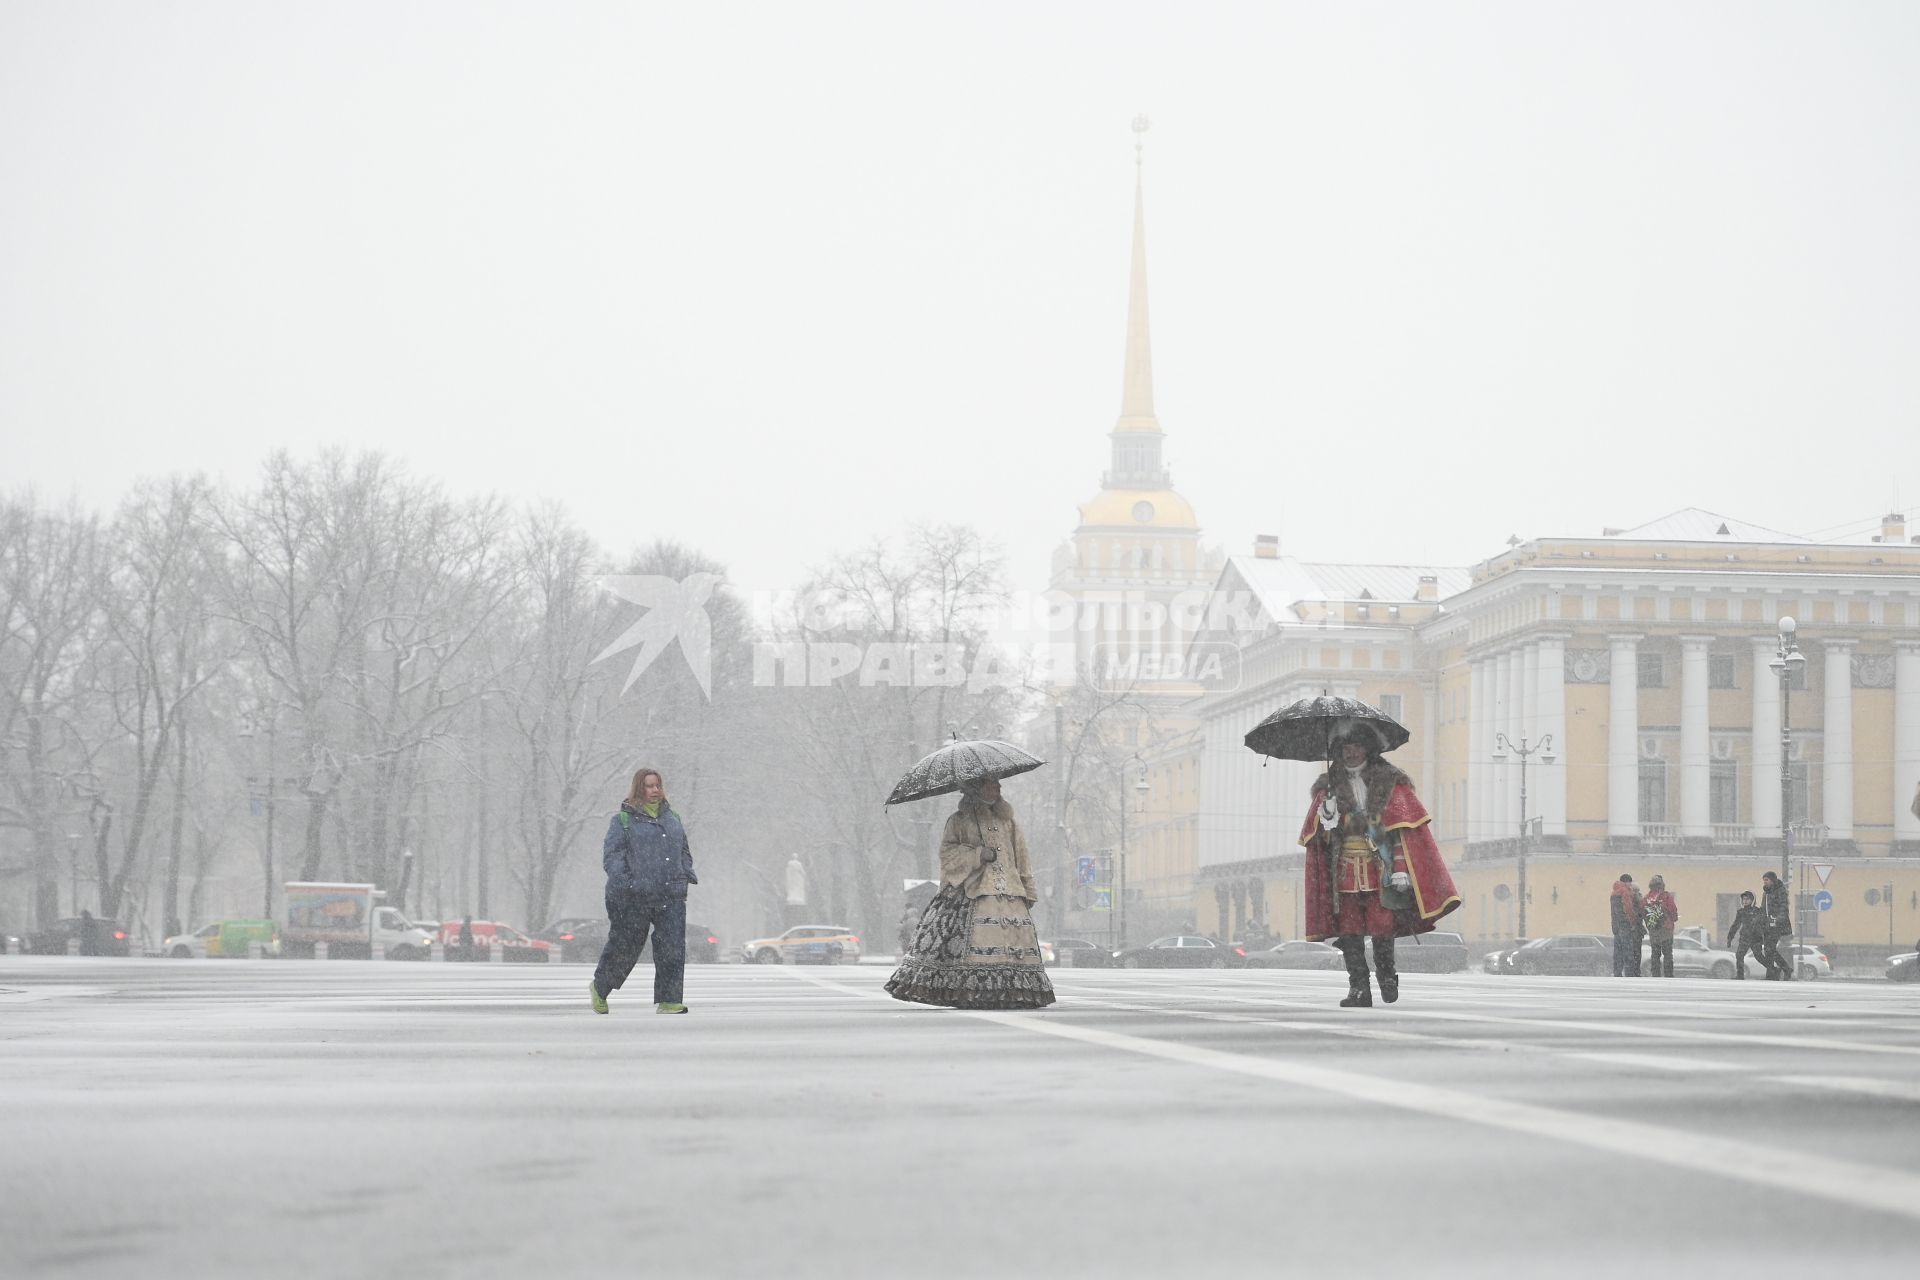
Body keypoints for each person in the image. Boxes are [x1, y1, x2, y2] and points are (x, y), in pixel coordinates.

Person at [1297, 720, 1460, 1008]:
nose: (1351, 753)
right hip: (1344, 874)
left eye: (1357, 747)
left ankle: (1386, 975)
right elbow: (1318, 839)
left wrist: (1400, 870)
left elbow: (1401, 833)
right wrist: (1327, 816)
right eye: (1346, 748)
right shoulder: (1328, 789)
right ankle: (1359, 988)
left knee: (1382, 927)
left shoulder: (1390, 784)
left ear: (1368, 749)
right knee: (1350, 932)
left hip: (1380, 871)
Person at [886, 776, 1054, 1009]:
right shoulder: (958, 821)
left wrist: (1028, 889)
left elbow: (1022, 856)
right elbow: (947, 855)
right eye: (991, 784)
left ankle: (1014, 992)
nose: (997, 788)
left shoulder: (1009, 822)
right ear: (976, 788)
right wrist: (977, 855)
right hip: (974, 891)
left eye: (998, 784)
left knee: (1016, 946)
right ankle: (975, 990)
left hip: (1011, 893)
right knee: (977, 941)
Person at [589, 768, 697, 1014]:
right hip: (633, 897)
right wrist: (628, 883)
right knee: (625, 947)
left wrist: (684, 873)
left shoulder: (673, 818)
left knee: (672, 947)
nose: (655, 790)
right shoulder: (623, 820)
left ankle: (669, 999)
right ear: (639, 788)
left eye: (658, 785)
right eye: (649, 786)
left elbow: (684, 851)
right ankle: (600, 987)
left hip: (671, 894)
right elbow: (612, 857)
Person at [1756, 870, 1793, 981]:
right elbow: (1763, 909)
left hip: (1777, 925)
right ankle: (1784, 969)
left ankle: (1773, 973)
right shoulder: (1766, 893)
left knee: (1769, 949)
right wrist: (1759, 920)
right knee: (1769, 950)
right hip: (1767, 924)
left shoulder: (1780, 891)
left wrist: (1777, 919)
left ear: (1772, 880)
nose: (1765, 882)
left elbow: (1783, 907)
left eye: (1766, 880)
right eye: (1764, 880)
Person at [1642, 875, 1678, 977]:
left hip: (1654, 931)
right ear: (1662, 885)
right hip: (1666, 930)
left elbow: (1643, 913)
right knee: (1667, 954)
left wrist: (1651, 925)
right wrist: (1671, 920)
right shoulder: (1666, 896)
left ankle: (1655, 974)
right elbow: (1673, 912)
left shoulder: (1647, 899)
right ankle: (1668, 975)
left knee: (1655, 954)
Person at [1608, 874, 1644, 977]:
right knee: (1628, 950)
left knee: (1618, 952)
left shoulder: (1613, 893)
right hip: (1625, 925)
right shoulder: (1625, 892)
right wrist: (1632, 921)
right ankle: (1629, 973)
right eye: (1630, 882)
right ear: (1627, 881)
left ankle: (1617, 972)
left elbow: (1613, 913)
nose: (1630, 885)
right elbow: (1628, 908)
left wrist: (1614, 925)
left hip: (1616, 926)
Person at [1726, 891, 1765, 979]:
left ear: (1752, 900)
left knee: (1759, 956)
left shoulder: (1757, 911)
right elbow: (1735, 925)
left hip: (1756, 938)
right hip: (1745, 937)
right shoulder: (1741, 912)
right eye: (1744, 899)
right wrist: (1730, 938)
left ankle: (1772, 970)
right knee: (1739, 955)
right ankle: (1740, 975)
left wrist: (1763, 936)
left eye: (1747, 899)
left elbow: (1763, 925)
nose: (1745, 901)